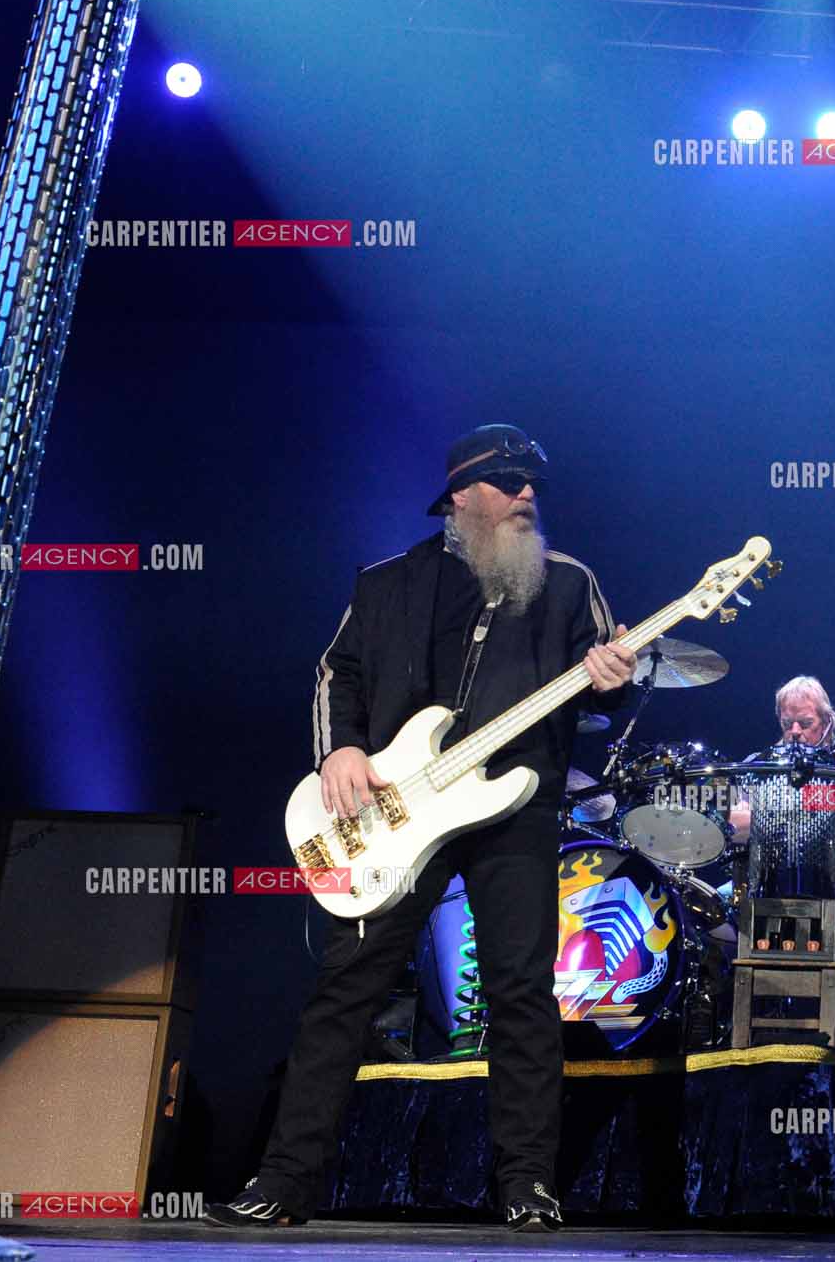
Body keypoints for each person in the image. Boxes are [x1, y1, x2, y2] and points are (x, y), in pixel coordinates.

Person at [207, 425, 636, 1232]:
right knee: (347, 990)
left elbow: (606, 695)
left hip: (515, 808)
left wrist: (619, 680)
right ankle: (284, 1181)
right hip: (395, 811)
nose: (527, 497)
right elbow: (339, 670)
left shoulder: (569, 584)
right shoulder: (388, 583)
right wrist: (339, 748)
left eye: (533, 484)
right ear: (462, 496)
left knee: (520, 993)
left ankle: (527, 1186)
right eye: (509, 482)